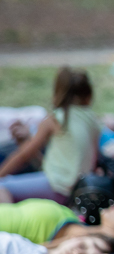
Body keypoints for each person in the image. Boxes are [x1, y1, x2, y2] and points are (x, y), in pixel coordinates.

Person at [0, 68, 100, 204]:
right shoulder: (92, 120)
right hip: (77, 189)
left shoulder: (57, 118)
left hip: (57, 188)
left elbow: (23, 155)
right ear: (88, 96)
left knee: (2, 188)